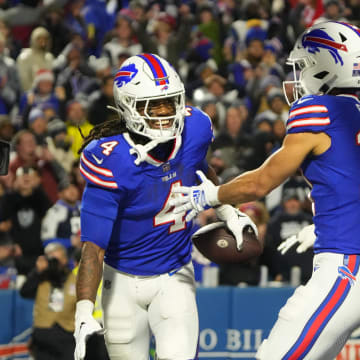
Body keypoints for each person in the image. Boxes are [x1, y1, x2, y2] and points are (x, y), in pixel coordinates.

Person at [171, 21, 360, 360]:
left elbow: (261, 182)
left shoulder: (319, 111)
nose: (299, 76)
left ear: (326, 65)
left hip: (345, 267)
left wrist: (208, 196)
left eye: (303, 66)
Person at [73, 53, 256, 360]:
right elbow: (93, 248)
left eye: (169, 103)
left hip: (175, 274)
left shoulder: (194, 129)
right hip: (121, 282)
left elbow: (201, 169)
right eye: (152, 105)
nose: (164, 113)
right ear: (128, 106)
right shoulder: (111, 160)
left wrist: (227, 210)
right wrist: (82, 311)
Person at [20, 242, 76, 360]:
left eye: (57, 260)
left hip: (67, 334)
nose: (54, 264)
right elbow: (24, 292)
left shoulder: (74, 278)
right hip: (43, 333)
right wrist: (37, 271)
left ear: (65, 260)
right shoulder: (40, 278)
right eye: (51, 260)